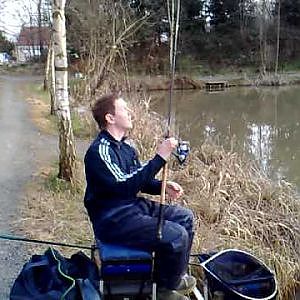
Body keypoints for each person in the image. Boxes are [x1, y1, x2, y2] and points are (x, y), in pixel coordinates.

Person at [84, 93, 196, 300]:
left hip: (132, 206)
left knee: (185, 217)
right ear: (110, 118)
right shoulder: (99, 151)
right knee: (176, 235)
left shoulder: (126, 148)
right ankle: (164, 291)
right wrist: (160, 157)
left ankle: (172, 277)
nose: (130, 113)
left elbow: (139, 181)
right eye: (124, 109)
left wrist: (162, 186)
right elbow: (123, 186)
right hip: (112, 219)